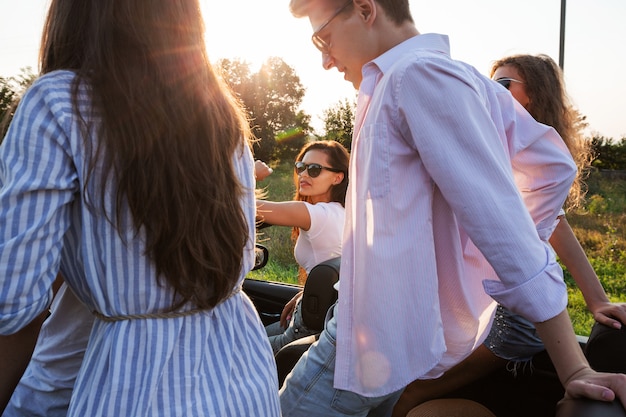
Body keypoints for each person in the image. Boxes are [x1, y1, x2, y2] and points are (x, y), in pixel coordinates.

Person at [280, 1, 626, 416]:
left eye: (323, 37)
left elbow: (506, 230)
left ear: (364, 9)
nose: (324, 59)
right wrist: (466, 264)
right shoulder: (444, 76)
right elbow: (551, 167)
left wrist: (573, 369)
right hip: (391, 334)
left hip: (369, 334)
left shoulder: (416, 77)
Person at [0, 1, 280, 416]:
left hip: (135, 391)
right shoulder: (223, 115)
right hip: (247, 380)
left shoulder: (58, 104)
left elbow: (12, 303)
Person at [392, 53, 626, 416]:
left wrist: (596, 300)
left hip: (513, 318)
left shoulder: (529, 162)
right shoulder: (499, 148)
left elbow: (556, 227)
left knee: (407, 397)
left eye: (502, 84)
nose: (490, 94)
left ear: (533, 95)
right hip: (497, 309)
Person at [258, 140, 349, 354]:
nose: (304, 174)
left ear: (338, 177)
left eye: (314, 169)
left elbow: (243, 207)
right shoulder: (343, 212)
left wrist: (248, 172)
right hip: (317, 319)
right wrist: (306, 292)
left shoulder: (316, 214)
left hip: (301, 331)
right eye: (301, 167)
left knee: (228, 350)